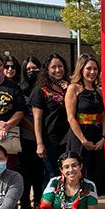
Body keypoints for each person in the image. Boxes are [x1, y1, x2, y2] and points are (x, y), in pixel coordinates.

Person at [65, 53, 105, 195]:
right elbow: (71, 118)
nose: (92, 72)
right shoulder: (73, 89)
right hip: (80, 137)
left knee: (96, 173)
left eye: (95, 69)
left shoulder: (98, 91)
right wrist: (83, 140)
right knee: (79, 173)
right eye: (89, 68)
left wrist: (103, 138)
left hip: (96, 137)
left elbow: (103, 116)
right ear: (81, 69)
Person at [12, 55, 43, 209]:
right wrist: (37, 132)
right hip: (27, 138)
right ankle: (24, 204)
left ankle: (39, 201)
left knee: (40, 173)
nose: (32, 72)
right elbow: (21, 116)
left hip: (43, 139)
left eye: (35, 69)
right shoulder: (19, 90)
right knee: (26, 174)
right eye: (29, 69)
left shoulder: (44, 88)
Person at [32, 53, 70, 185]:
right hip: (50, 141)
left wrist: (70, 90)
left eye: (60, 66)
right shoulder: (40, 91)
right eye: (53, 67)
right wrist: (39, 143)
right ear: (47, 70)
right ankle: (47, 205)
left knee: (69, 175)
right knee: (52, 175)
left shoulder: (70, 87)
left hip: (69, 139)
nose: (58, 70)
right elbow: (37, 119)